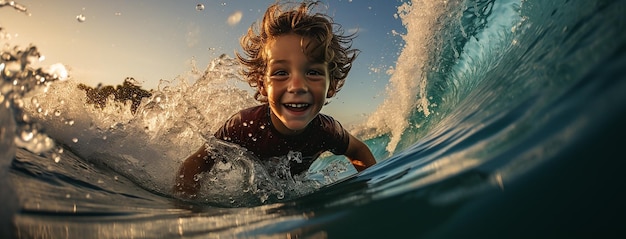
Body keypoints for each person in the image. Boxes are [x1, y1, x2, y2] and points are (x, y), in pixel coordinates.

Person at [173, 1, 376, 199]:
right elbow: (195, 164)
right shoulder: (244, 126)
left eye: (313, 72)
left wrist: (372, 189)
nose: (297, 86)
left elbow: (357, 150)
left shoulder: (327, 130)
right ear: (263, 85)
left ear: (330, 86)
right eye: (280, 73)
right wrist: (188, 211)